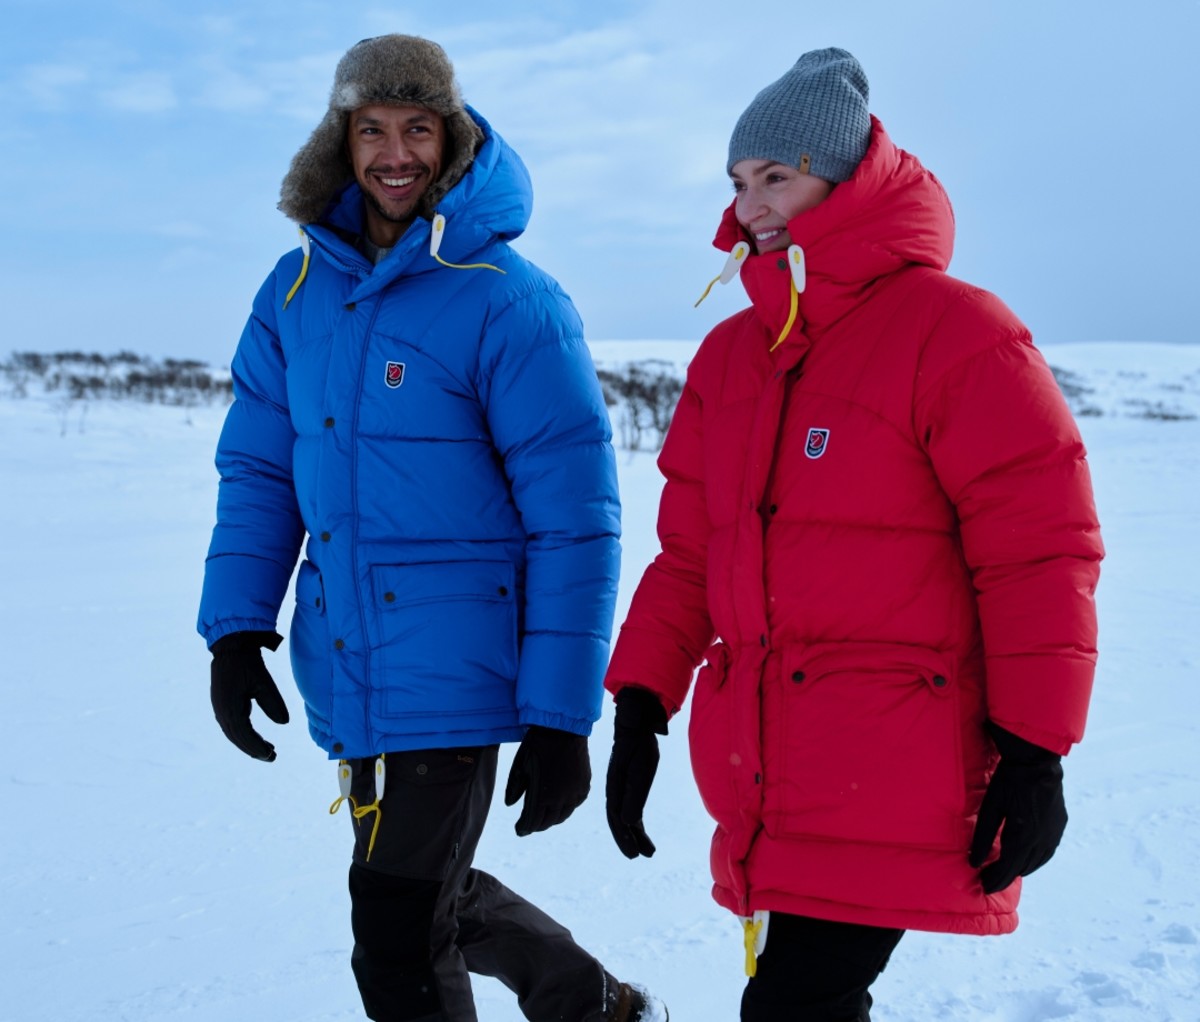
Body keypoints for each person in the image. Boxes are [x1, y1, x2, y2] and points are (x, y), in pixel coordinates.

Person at [603, 47, 1103, 1021]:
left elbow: (1040, 550)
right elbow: (692, 555)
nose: (752, 205)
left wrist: (1038, 749)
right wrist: (639, 701)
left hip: (897, 767)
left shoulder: (954, 333)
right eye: (741, 182)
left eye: (776, 177)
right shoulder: (730, 355)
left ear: (847, 176)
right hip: (770, 769)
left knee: (793, 1005)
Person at [198, 33, 667, 1022]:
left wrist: (559, 711)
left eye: (418, 128)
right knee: (426, 898)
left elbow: (575, 522)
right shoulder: (291, 294)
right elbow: (258, 471)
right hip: (351, 660)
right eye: (373, 129)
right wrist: (236, 627)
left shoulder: (510, 299)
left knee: (398, 940)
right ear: (343, 141)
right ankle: (604, 1009)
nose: (395, 154)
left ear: (450, 140)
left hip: (462, 670)